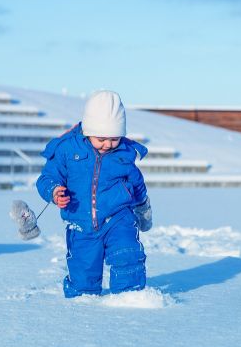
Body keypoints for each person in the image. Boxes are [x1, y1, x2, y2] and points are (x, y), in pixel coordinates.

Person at [36, 90, 153, 298]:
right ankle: (83, 304)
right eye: (101, 139)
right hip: (81, 222)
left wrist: (143, 207)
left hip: (119, 217)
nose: (108, 144)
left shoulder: (124, 154)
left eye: (114, 139)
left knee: (127, 254)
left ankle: (131, 298)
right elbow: (47, 177)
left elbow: (137, 183)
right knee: (83, 274)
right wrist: (54, 191)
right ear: (88, 130)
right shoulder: (67, 150)